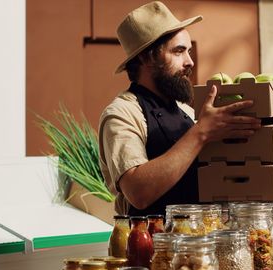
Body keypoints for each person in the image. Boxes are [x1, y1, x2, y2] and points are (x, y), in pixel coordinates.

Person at [98, 1, 261, 216]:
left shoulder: (184, 110)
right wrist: (201, 132)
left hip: (199, 240)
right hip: (154, 246)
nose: (190, 62)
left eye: (189, 51)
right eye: (178, 51)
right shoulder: (122, 114)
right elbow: (138, 192)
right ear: (147, 58)